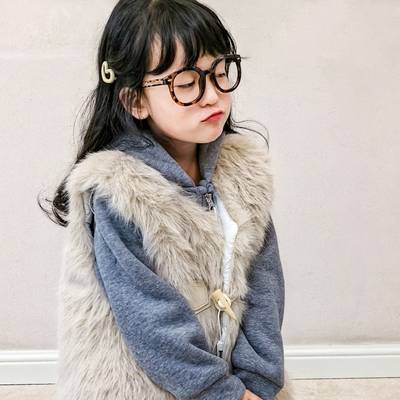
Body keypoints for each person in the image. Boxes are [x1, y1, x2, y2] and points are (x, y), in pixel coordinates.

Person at [39, 0, 295, 399]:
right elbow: (152, 320)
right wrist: (223, 393)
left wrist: (257, 384)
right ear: (135, 100)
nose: (212, 96)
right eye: (187, 83)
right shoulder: (118, 191)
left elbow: (265, 291)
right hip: (139, 383)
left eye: (220, 73)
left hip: (226, 383)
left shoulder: (244, 174)